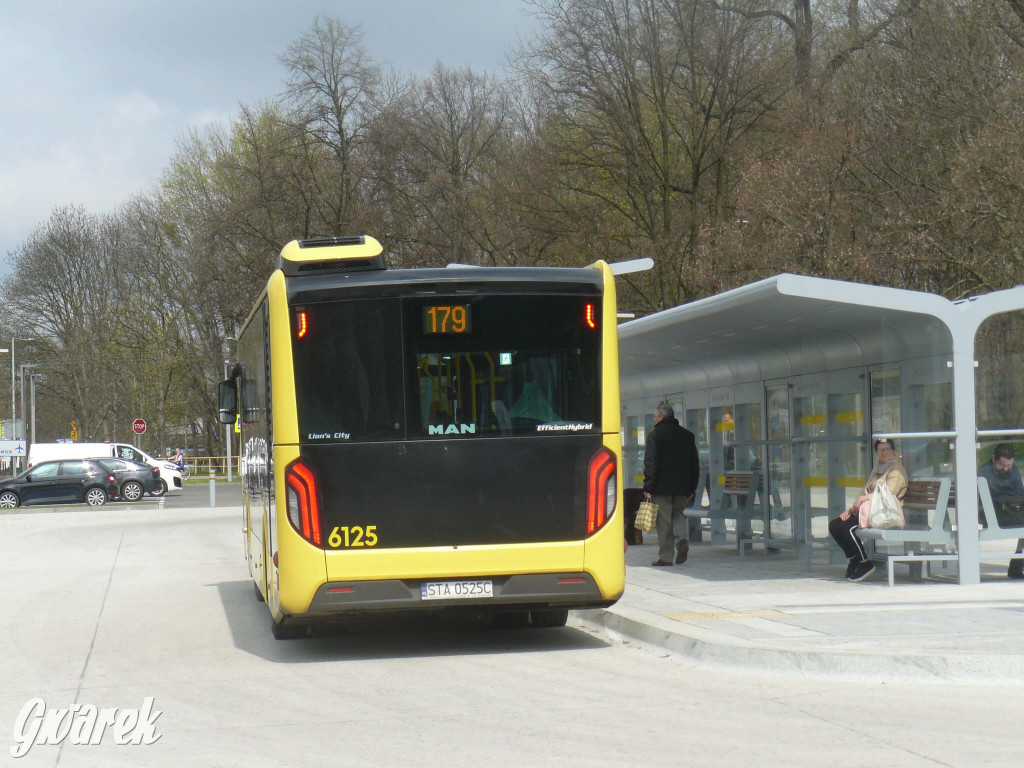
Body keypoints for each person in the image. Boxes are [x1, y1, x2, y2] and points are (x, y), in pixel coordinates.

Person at [828, 439, 908, 582]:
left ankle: (865, 563)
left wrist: (863, 499)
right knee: (835, 525)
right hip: (870, 510)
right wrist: (852, 509)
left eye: (887, 449)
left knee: (848, 528)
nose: (884, 453)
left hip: (884, 512)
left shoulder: (896, 470)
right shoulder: (878, 468)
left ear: (893, 451)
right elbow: (866, 490)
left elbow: (889, 493)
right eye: (881, 450)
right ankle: (854, 560)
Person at [643, 403, 701, 567]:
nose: (654, 419)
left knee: (663, 522)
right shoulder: (687, 435)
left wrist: (648, 487)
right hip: (683, 487)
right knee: (678, 515)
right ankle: (682, 539)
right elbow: (694, 464)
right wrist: (692, 487)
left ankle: (666, 557)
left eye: (655, 416)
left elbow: (651, 463)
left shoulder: (655, 435)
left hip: (661, 488)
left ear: (661, 417)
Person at [977, 444, 1024, 580]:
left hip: (1011, 511)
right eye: (1003, 465)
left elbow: (1019, 494)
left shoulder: (1013, 470)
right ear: (994, 460)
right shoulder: (983, 473)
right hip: (990, 515)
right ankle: (1016, 567)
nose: (1006, 468)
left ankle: (1016, 565)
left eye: (1009, 465)